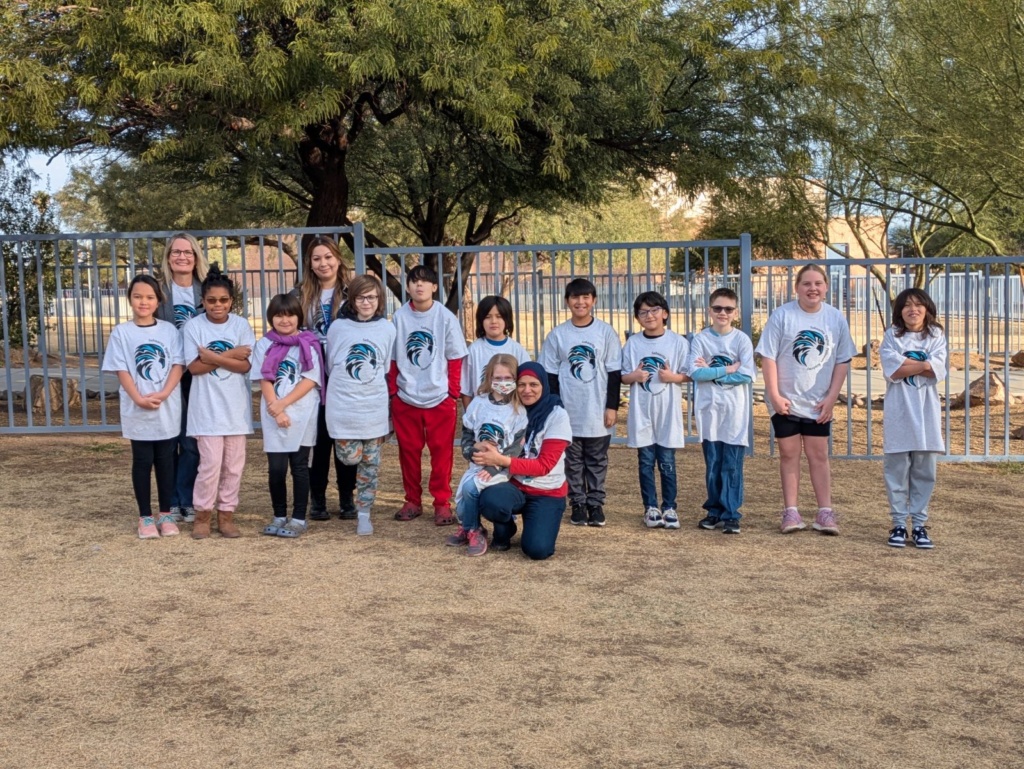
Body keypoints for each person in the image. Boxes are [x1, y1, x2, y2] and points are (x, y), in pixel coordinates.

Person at [755, 264, 856, 535]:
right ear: (797, 287)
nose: (813, 288)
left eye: (818, 283)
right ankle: (791, 511)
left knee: (818, 455)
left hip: (818, 403)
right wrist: (774, 395)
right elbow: (768, 356)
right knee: (789, 455)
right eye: (806, 283)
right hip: (785, 402)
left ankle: (825, 512)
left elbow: (843, 360)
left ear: (826, 287)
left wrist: (831, 398)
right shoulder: (782, 316)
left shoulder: (835, 318)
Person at [102, 274, 185, 538]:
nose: (143, 302)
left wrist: (164, 393)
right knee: (142, 461)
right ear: (130, 299)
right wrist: (138, 398)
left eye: (149, 297)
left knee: (166, 461)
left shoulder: (169, 331)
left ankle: (166, 514)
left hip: (165, 406)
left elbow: (178, 364)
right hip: (136, 408)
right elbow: (121, 369)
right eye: (137, 296)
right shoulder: (122, 332)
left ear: (158, 300)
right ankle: (145, 517)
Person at [386, 265, 469, 525]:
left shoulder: (445, 317)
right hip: (406, 397)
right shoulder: (399, 317)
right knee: (408, 452)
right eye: (414, 281)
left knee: (441, 454)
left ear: (434, 287)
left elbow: (455, 357)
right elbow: (392, 359)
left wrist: (452, 394)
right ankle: (412, 500)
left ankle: (442, 503)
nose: (419, 285)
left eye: (425, 281)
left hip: (439, 399)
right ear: (408, 287)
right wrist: (394, 393)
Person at [539, 277, 622, 526]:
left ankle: (595, 503)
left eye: (586, 297)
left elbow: (614, 372)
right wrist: (556, 408)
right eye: (575, 297)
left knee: (597, 460)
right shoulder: (558, 335)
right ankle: (577, 503)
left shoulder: (605, 332)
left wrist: (611, 407)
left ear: (593, 300)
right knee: (572, 461)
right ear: (567, 301)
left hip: (597, 409)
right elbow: (550, 375)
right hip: (569, 410)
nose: (580, 302)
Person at [181, 264, 256, 539]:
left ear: (231, 301)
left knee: (233, 467)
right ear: (203, 301)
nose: (217, 305)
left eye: (223, 300)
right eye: (211, 300)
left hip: (235, 411)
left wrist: (212, 357)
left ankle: (226, 514)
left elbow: (245, 366)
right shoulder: (193, 327)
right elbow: (194, 368)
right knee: (210, 466)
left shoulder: (241, 325)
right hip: (206, 411)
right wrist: (231, 355)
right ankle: (202, 515)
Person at [474, 362, 572, 560]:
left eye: (533, 384)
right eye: (521, 384)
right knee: (491, 500)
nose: (527, 390)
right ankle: (505, 528)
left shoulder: (557, 415)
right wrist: (479, 447)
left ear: (544, 385)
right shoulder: (509, 409)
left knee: (538, 550)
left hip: (546, 491)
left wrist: (501, 460)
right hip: (514, 485)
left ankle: (537, 521)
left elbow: (544, 466)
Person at [292, 235, 357, 522]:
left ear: (338, 259)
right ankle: (317, 497)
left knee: (344, 436)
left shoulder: (353, 293)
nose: (323, 263)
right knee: (318, 439)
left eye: (328, 257)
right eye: (316, 258)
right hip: (313, 375)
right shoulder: (300, 294)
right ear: (309, 263)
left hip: (344, 375)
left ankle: (346, 496)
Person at [325, 274, 395, 536]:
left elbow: (385, 365)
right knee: (349, 456)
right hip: (344, 406)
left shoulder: (387, 328)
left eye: (372, 297)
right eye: (361, 297)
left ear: (379, 299)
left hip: (373, 407)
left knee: (370, 465)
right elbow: (331, 363)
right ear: (352, 300)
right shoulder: (338, 328)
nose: (367, 302)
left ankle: (364, 512)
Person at [251, 294, 323, 539]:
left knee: (300, 467)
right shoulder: (265, 344)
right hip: (274, 413)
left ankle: (299, 518)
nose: (285, 320)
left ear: (298, 317)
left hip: (302, 413)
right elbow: (264, 377)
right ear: (271, 318)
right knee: (276, 468)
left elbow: (310, 379)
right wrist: (277, 409)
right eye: (279, 315)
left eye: (290, 314)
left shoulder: (308, 343)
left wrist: (283, 404)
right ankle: (279, 515)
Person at [880, 288, 947, 549]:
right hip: (899, 413)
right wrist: (925, 364)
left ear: (927, 308)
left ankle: (919, 525)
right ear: (899, 311)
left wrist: (909, 364)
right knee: (896, 471)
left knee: (924, 472)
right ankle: (898, 523)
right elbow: (893, 370)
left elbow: (937, 371)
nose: (913, 309)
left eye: (918, 304)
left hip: (926, 413)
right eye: (907, 305)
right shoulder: (892, 335)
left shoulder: (936, 335)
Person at [687, 287, 755, 534]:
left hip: (734, 412)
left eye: (728, 309)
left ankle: (731, 513)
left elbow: (746, 375)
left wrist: (712, 372)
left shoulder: (741, 340)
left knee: (732, 464)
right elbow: (695, 372)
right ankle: (714, 510)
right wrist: (727, 369)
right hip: (709, 411)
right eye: (718, 308)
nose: (722, 313)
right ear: (710, 310)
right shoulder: (701, 339)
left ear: (735, 312)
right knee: (713, 463)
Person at [620, 291, 690, 530]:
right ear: (637, 317)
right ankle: (650, 507)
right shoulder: (633, 343)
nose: (649, 316)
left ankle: (669, 507)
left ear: (665, 313)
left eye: (654, 310)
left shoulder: (678, 342)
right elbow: (623, 376)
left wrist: (673, 377)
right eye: (643, 312)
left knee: (667, 462)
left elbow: (689, 374)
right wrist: (634, 376)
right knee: (645, 462)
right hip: (642, 413)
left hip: (667, 413)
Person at [447, 353, 527, 556]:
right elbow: (467, 433)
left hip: (500, 469)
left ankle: (474, 531)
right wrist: (472, 451)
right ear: (489, 378)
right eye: (498, 378)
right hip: (477, 464)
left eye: (508, 378)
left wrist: (494, 467)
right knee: (462, 506)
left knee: (470, 488)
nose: (502, 382)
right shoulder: (479, 403)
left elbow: (516, 448)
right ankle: (468, 526)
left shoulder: (518, 410)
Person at [155, 232, 208, 524]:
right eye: (176, 252)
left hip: (197, 373)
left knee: (190, 441)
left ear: (196, 257)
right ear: (168, 257)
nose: (182, 257)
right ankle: (170, 502)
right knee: (168, 439)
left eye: (188, 252)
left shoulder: (206, 289)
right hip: (166, 373)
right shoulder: (159, 291)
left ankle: (186, 499)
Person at [460, 296, 530, 409]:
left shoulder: (517, 350)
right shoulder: (474, 350)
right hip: (481, 415)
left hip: (512, 413)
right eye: (488, 317)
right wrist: (471, 414)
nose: (493, 321)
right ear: (481, 320)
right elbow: (466, 390)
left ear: (507, 319)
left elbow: (526, 383)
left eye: (499, 316)